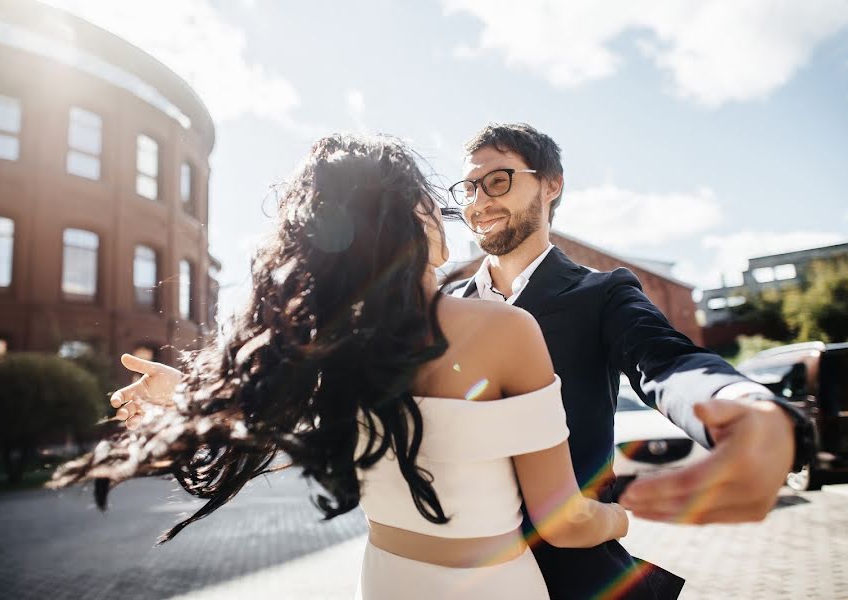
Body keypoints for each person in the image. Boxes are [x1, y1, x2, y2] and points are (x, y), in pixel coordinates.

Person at [50, 133, 630, 599]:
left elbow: (272, 423)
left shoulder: (331, 349)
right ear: (408, 219)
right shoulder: (505, 330)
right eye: (432, 201)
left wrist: (184, 395)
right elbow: (564, 523)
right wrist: (619, 520)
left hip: (386, 580)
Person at [444, 122, 814, 599]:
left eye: (498, 181)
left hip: (570, 575)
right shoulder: (443, 305)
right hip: (453, 573)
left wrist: (743, 403)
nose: (480, 202)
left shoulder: (601, 293)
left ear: (552, 184)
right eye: (470, 188)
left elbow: (665, 359)